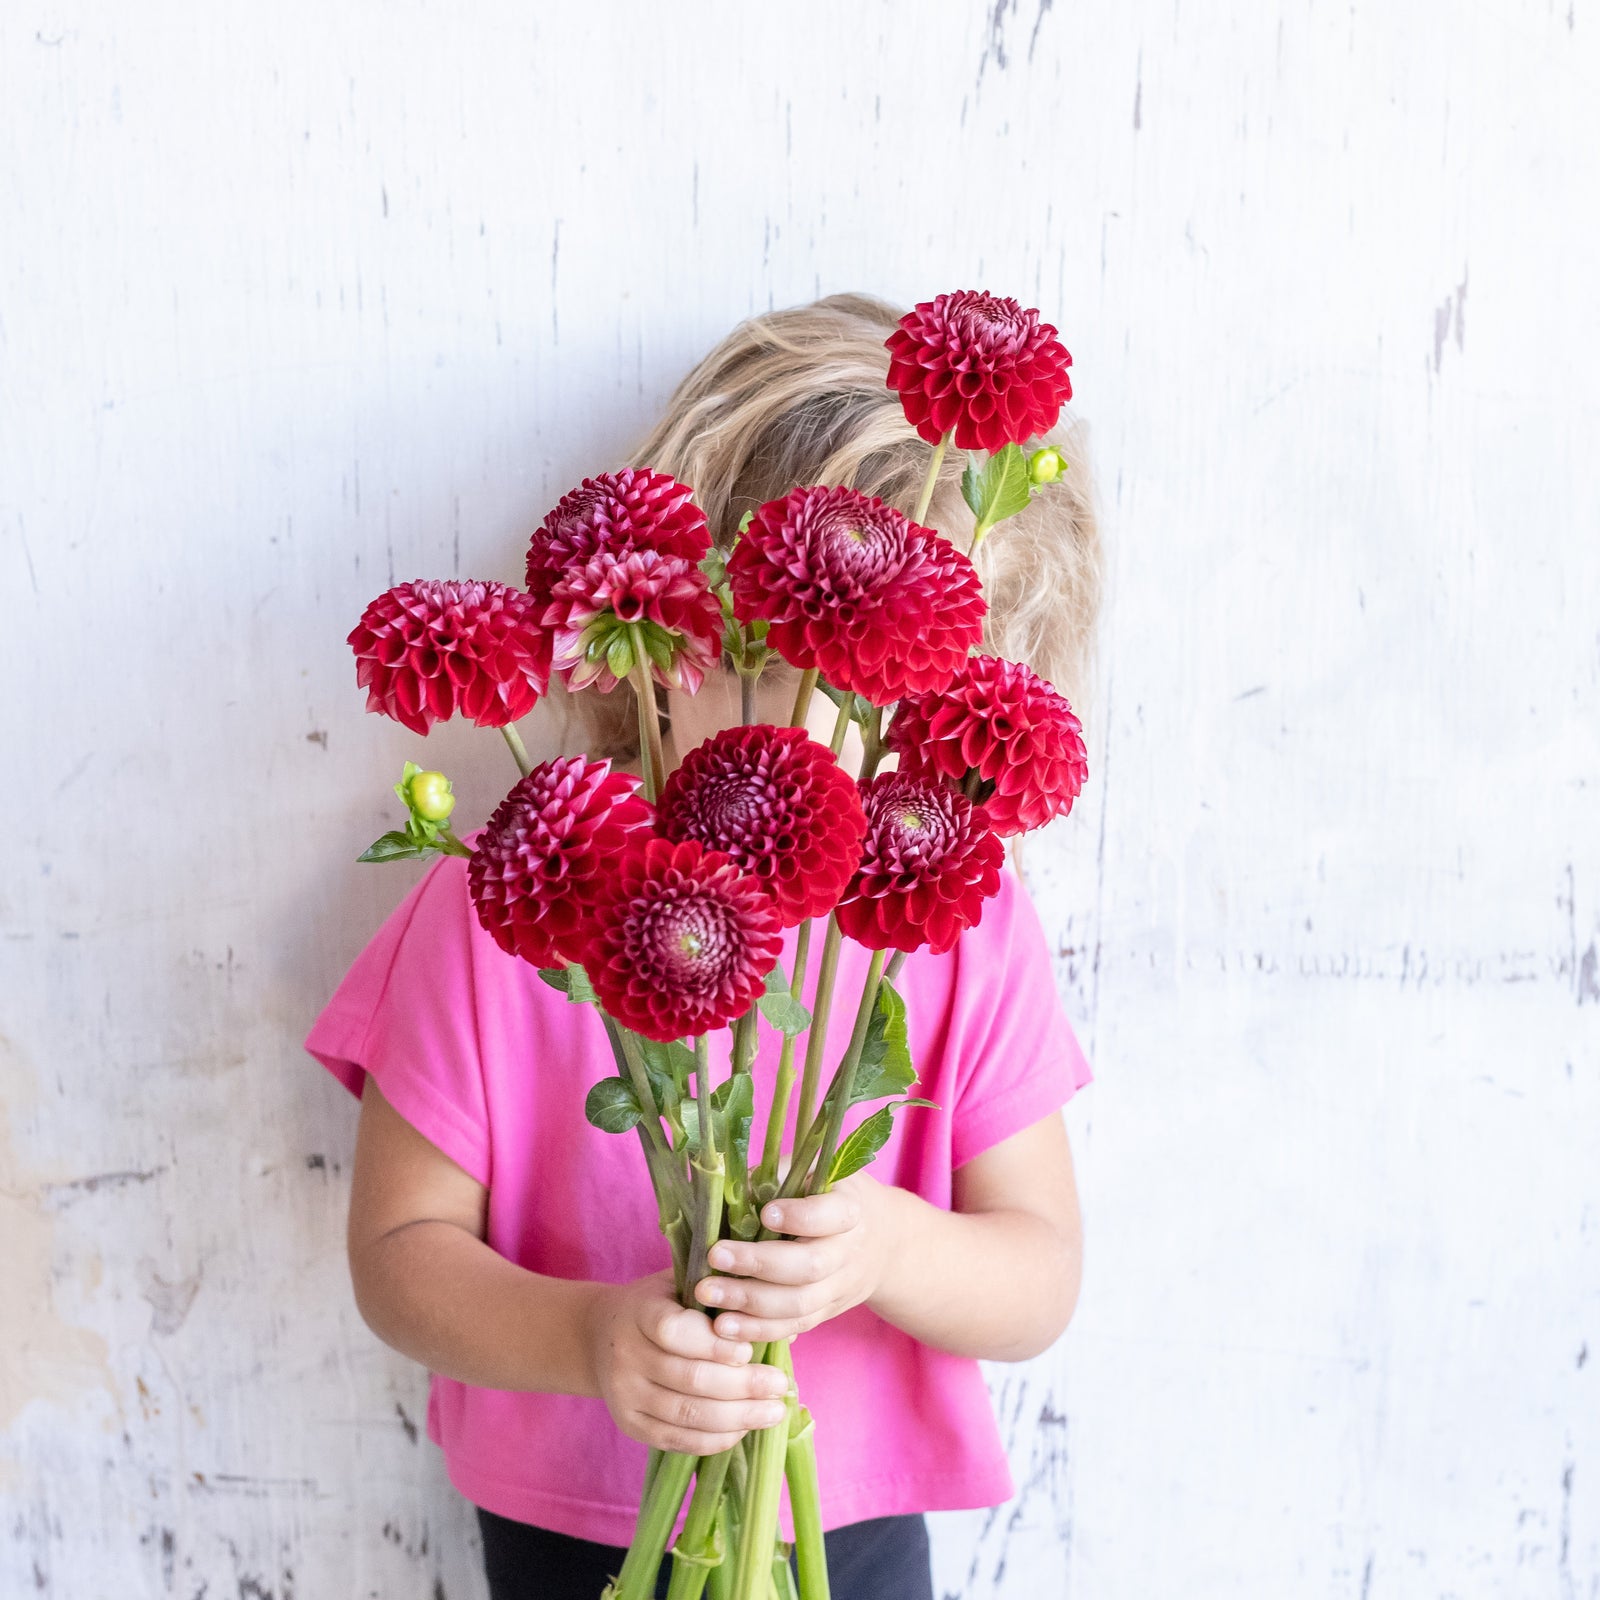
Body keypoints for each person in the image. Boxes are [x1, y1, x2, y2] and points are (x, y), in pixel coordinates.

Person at [305, 293, 1104, 1600]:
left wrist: (892, 1246)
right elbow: (398, 1260)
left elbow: (1040, 1276)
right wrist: (589, 1337)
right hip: (570, 1520)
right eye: (770, 664)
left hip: (849, 1523)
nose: (818, 743)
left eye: (876, 700)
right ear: (656, 631)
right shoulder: (500, 901)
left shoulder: (964, 923)